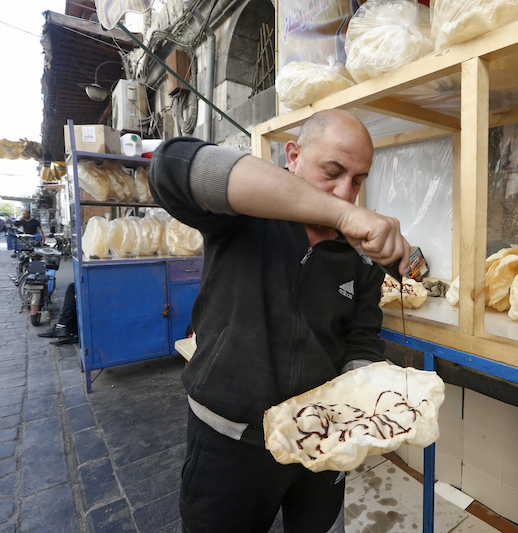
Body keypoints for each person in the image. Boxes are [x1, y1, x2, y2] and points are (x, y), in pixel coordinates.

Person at [148, 109, 409, 533]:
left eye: (358, 180)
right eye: (332, 171)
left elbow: (361, 338)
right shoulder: (244, 216)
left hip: (318, 444)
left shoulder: (359, 257)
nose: (345, 192)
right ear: (293, 156)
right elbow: (172, 164)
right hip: (230, 441)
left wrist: (357, 411)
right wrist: (342, 215)